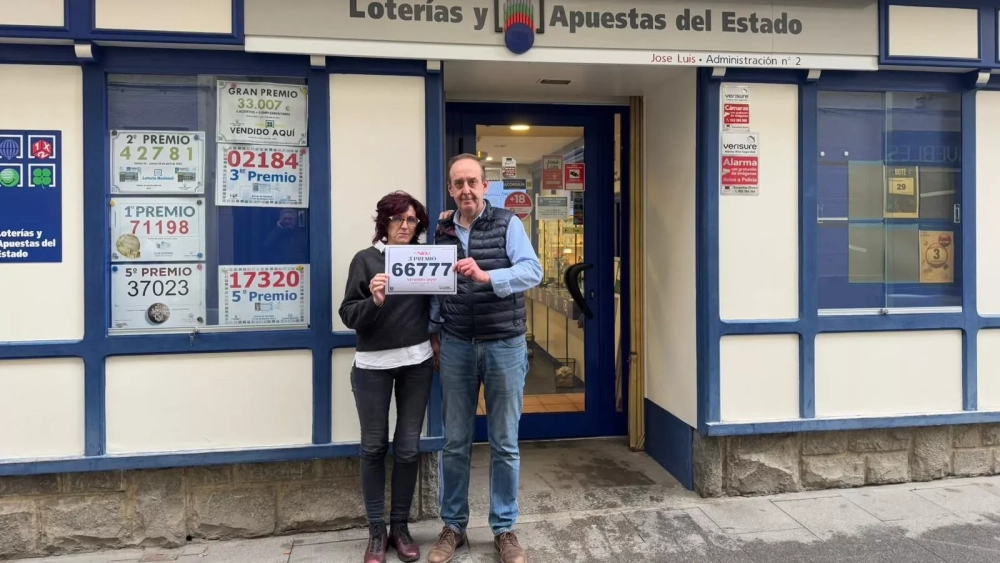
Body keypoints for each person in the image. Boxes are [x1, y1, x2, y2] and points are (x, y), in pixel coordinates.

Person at [426, 154, 543, 563]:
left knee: (504, 443)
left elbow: (533, 271)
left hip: (504, 345)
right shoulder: (441, 230)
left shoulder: (508, 224)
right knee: (455, 442)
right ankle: (453, 527)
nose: (466, 190)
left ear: (485, 186)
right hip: (456, 344)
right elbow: (434, 286)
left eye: (472, 182)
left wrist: (487, 276)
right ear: (450, 189)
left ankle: (504, 529)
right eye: (458, 183)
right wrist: (434, 332)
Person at [338, 191, 434, 563]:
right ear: (384, 222)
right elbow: (348, 314)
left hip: (417, 363)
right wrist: (374, 301)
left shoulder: (426, 259)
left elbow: (439, 303)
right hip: (372, 367)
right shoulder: (365, 260)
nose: (405, 226)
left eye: (411, 220)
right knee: (374, 447)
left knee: (408, 448)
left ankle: (400, 527)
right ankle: (376, 530)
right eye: (397, 219)